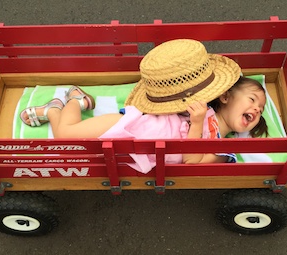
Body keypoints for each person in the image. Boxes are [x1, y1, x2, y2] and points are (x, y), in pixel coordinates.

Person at [20, 39, 267, 173]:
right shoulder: (202, 105)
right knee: (65, 135)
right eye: (253, 100)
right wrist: (196, 116)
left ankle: (67, 104)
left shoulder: (224, 149)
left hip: (136, 144)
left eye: (261, 110)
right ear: (224, 97)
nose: (257, 109)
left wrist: (197, 124)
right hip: (133, 123)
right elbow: (170, 102)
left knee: (70, 140)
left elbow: (192, 164)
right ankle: (66, 103)